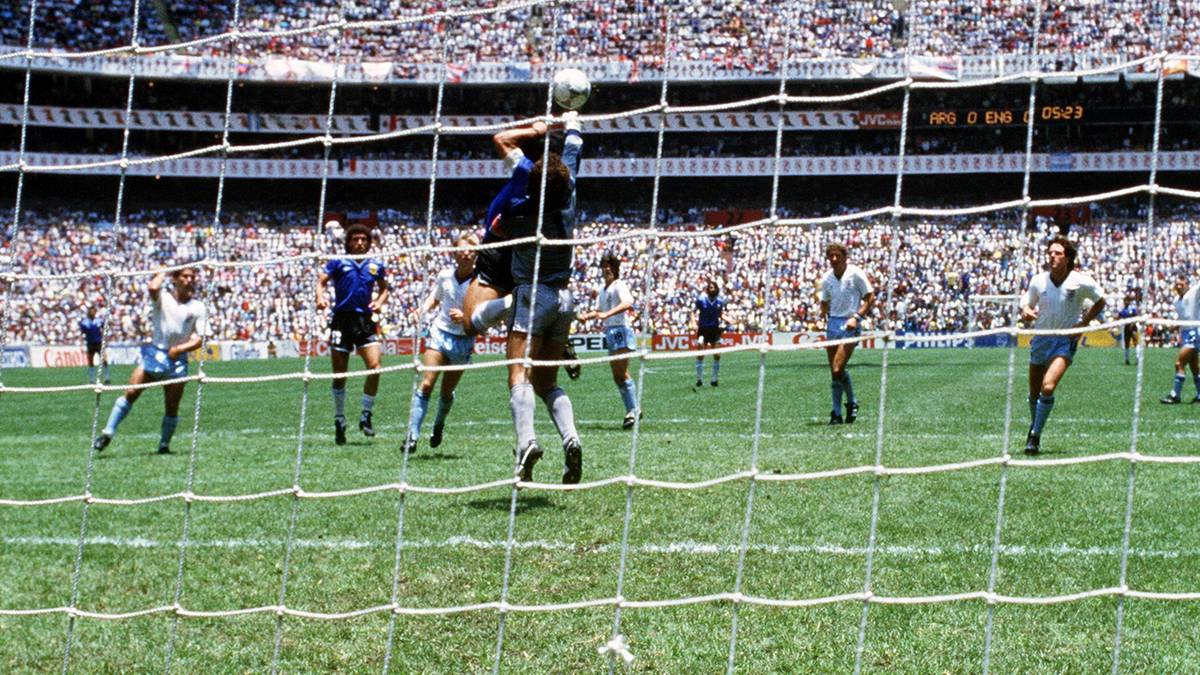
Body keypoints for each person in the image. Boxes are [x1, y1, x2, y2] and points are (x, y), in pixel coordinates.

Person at [494, 111, 585, 483]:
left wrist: (535, 130)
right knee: (548, 380)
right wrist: (571, 122)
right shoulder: (570, 190)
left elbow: (502, 140)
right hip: (565, 297)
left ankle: (527, 442)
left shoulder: (521, 207)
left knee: (519, 373)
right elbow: (575, 148)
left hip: (533, 294)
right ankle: (571, 439)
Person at [93, 267, 208, 454]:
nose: (189, 280)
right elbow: (153, 287)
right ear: (175, 279)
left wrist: (180, 348)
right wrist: (163, 271)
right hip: (155, 354)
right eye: (185, 276)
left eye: (192, 277)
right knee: (131, 392)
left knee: (172, 406)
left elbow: (201, 338)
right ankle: (107, 433)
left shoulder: (198, 307)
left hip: (177, 361)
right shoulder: (164, 298)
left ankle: (164, 445)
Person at [1020, 236, 1106, 454]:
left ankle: (1034, 436)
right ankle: (1035, 426)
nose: (1052, 256)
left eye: (1057, 253)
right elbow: (1027, 305)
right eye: (1050, 253)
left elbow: (1101, 301)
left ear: (1067, 258)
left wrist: (1084, 323)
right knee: (1033, 393)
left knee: (1047, 387)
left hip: (1064, 342)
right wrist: (1026, 312)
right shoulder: (1038, 280)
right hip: (1041, 339)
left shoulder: (1081, 281)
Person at [404, 233, 478, 453]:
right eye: (462, 249)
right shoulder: (445, 275)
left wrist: (466, 316)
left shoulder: (481, 281)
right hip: (440, 333)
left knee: (446, 392)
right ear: (454, 252)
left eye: (471, 250)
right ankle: (412, 435)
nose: (466, 253)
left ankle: (438, 425)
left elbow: (486, 313)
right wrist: (422, 310)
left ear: (476, 254)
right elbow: (434, 298)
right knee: (427, 383)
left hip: (463, 339)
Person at [316, 223, 389, 445]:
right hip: (342, 320)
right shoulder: (338, 262)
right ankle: (339, 419)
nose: (359, 243)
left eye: (363, 240)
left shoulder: (376, 266)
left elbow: (385, 288)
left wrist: (379, 301)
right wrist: (320, 296)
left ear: (369, 243)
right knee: (340, 375)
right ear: (348, 242)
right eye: (355, 239)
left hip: (364, 321)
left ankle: (366, 415)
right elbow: (321, 281)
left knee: (375, 367)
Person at [577, 252, 640, 429]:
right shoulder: (603, 290)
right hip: (610, 332)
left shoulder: (619, 285)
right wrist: (587, 316)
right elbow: (599, 311)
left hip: (621, 329)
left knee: (621, 371)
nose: (607, 269)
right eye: (604, 266)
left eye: (610, 266)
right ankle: (632, 409)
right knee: (617, 375)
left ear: (615, 269)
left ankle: (633, 410)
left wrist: (607, 314)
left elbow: (628, 302)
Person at [819, 242, 874, 425]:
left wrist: (857, 317)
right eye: (831, 256)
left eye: (837, 256)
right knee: (835, 371)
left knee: (837, 367)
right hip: (833, 323)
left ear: (844, 257)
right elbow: (825, 301)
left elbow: (869, 296)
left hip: (850, 324)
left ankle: (841, 409)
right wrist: (821, 315)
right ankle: (846, 407)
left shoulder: (855, 273)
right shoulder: (827, 278)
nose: (834, 259)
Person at [1160, 276, 1200, 405]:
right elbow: (1183, 317)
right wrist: (1173, 325)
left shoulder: (1193, 292)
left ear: (1187, 284)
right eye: (1176, 284)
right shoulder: (1176, 300)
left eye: (1181, 284)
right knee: (1194, 367)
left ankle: (1175, 395)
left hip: (1194, 332)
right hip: (1185, 333)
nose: (1178, 286)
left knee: (1179, 364)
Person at [694, 279, 725, 388]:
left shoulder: (720, 302)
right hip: (703, 330)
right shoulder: (701, 300)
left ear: (716, 289)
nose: (711, 289)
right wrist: (693, 323)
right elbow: (694, 312)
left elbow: (721, 315)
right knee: (701, 354)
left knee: (717, 355)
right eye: (710, 287)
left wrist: (730, 320)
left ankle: (714, 379)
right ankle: (699, 379)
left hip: (715, 330)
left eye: (713, 287)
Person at [79, 306, 110, 384]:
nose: (92, 313)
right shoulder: (84, 322)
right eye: (91, 311)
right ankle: (92, 379)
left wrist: (106, 339)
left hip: (99, 343)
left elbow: (105, 330)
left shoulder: (99, 321)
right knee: (90, 361)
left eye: (93, 311)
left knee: (104, 360)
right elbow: (82, 333)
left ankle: (107, 377)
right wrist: (81, 343)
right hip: (90, 343)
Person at [1117, 292, 1139, 365]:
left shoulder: (1132, 308)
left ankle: (1137, 358)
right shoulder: (1123, 310)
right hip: (1126, 328)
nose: (1126, 302)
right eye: (1125, 300)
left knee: (1135, 342)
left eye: (1127, 300)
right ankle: (1127, 359)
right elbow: (1119, 317)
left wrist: (1132, 324)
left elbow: (1136, 317)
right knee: (1127, 344)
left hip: (1133, 327)